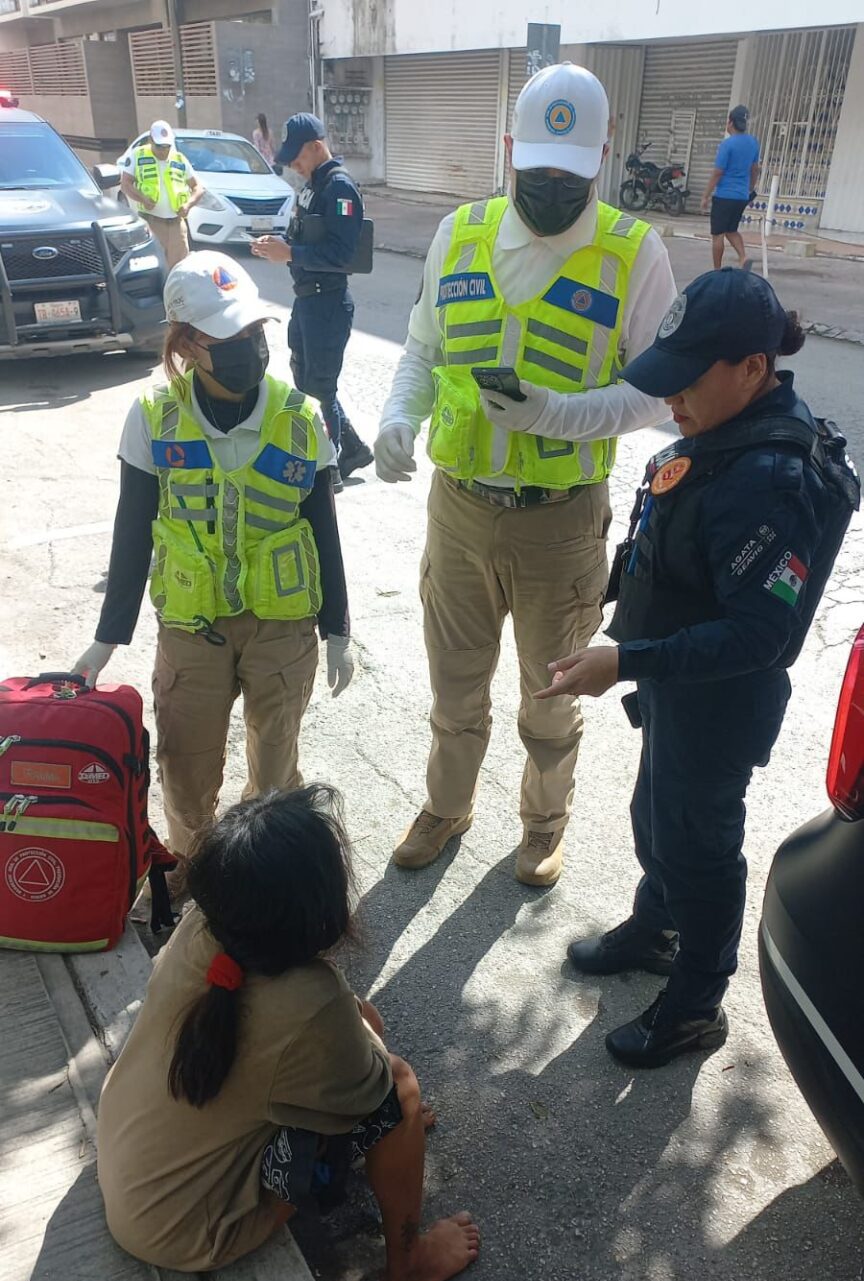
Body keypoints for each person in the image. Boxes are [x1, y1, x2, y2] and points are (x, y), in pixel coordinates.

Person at [538, 269, 859, 1068]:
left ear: (752, 368)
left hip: (718, 702)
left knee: (702, 852)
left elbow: (760, 638)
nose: (671, 398)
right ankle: (658, 928)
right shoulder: (726, 433)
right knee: (658, 824)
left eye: (689, 379)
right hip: (676, 683)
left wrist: (627, 661)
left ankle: (695, 1007)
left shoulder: (771, 482)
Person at [374, 63, 676, 887]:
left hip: (560, 522)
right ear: (509, 149)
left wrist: (553, 413)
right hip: (460, 509)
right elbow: (423, 351)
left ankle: (543, 825)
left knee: (551, 699)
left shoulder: (632, 254)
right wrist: (399, 418)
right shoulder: (460, 233)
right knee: (455, 686)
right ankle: (446, 806)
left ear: (603, 155)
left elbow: (657, 392)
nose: (551, 189)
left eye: (569, 177)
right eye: (535, 172)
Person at [97, 786, 481, 1281]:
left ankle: (384, 1149)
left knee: (364, 1028)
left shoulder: (200, 928)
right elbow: (375, 1071)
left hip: (130, 1172)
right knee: (400, 1091)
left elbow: (343, 1022)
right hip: (186, 1232)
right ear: (318, 905)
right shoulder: (309, 1004)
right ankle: (408, 1268)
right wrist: (374, 1085)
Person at [72, 252, 354, 902]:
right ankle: (194, 878)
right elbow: (132, 530)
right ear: (186, 344)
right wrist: (107, 637)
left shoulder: (302, 418)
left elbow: (323, 528)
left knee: (276, 770)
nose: (248, 349)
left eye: (253, 332)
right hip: (192, 631)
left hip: (283, 628)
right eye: (226, 339)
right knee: (185, 770)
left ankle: (264, 880)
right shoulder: (153, 417)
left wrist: (337, 626)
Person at [251, 113, 373, 489]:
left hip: (327, 303)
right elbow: (303, 236)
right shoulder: (313, 186)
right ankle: (351, 448)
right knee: (306, 382)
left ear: (316, 147)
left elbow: (341, 254)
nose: (294, 166)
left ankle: (330, 468)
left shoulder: (339, 189)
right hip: (306, 301)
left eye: (298, 158)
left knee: (321, 387)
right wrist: (279, 246)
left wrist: (290, 254)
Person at [121, 120, 203, 271]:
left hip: (177, 225)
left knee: (180, 270)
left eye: (167, 146)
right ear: (151, 140)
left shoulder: (179, 159)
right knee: (152, 269)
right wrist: (142, 199)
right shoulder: (137, 156)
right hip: (151, 221)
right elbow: (125, 184)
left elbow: (198, 188)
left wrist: (188, 205)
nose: (163, 150)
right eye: (159, 146)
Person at [701, 105, 761, 272]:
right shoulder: (753, 143)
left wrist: (705, 195)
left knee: (718, 234)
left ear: (730, 122)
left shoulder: (727, 145)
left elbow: (718, 172)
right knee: (731, 229)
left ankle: (717, 270)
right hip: (741, 196)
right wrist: (750, 188)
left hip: (724, 195)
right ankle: (743, 257)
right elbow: (755, 168)